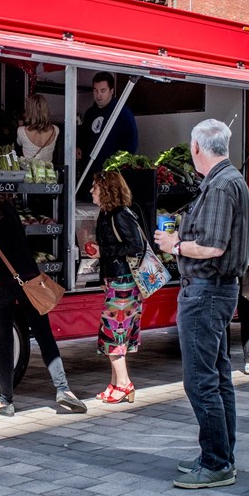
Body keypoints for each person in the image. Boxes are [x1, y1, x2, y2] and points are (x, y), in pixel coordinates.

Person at [154, 119, 249, 489]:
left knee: (200, 381)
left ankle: (216, 463)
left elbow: (212, 247)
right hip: (218, 290)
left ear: (197, 148)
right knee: (217, 376)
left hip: (206, 291)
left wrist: (174, 246)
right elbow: (215, 238)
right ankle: (220, 454)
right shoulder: (231, 181)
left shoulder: (219, 186)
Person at [0, 195, 87, 417]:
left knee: (4, 343)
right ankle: (63, 389)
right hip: (28, 279)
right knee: (44, 335)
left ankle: (5, 401)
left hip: (2, 283)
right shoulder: (6, 205)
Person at [84, 171, 144, 403]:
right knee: (113, 334)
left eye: (95, 187)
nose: (92, 191)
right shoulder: (107, 214)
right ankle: (115, 384)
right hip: (116, 282)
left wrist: (104, 252)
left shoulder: (120, 215)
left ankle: (125, 384)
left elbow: (135, 246)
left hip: (124, 283)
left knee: (114, 335)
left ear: (107, 190)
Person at [77, 71, 138, 173]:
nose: (98, 95)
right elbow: (84, 138)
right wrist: (79, 147)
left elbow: (131, 145)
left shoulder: (122, 112)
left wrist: (116, 166)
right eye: (95, 91)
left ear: (111, 90)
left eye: (103, 90)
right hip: (89, 172)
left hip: (112, 173)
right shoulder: (90, 113)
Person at [17, 94, 59, 162]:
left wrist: (20, 125)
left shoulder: (21, 131)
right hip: (47, 171)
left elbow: (19, 143)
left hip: (30, 171)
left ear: (29, 110)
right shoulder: (55, 130)